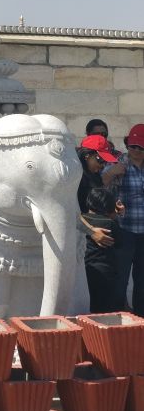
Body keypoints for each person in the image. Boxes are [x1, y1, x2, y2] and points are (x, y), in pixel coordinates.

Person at [106, 124, 144, 316]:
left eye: (140, 147)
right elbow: (99, 186)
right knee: (120, 277)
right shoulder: (119, 163)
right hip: (124, 229)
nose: (135, 150)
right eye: (132, 146)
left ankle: (140, 318)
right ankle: (117, 316)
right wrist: (112, 173)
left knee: (142, 279)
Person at [82, 186, 123, 313]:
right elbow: (120, 243)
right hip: (105, 272)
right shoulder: (110, 224)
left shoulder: (81, 220)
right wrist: (116, 217)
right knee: (104, 310)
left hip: (84, 270)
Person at [77, 134, 121, 248]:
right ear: (87, 155)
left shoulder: (95, 176)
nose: (103, 166)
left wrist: (112, 207)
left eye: (106, 162)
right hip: (80, 235)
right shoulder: (75, 177)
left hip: (95, 237)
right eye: (101, 160)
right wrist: (91, 232)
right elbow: (71, 210)